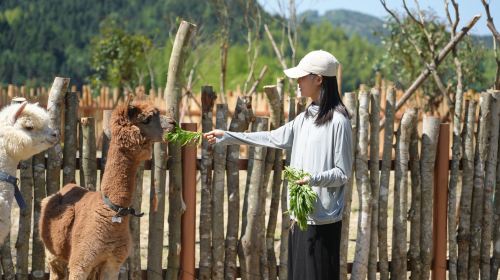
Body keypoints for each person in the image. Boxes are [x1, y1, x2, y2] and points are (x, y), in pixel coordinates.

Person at [203, 50, 353, 280]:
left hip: (323, 221)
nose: (298, 82)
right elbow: (272, 137)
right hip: (300, 217)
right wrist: (229, 136)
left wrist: (313, 179)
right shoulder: (304, 119)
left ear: (319, 79)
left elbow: (342, 173)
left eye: (302, 77)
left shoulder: (339, 122)